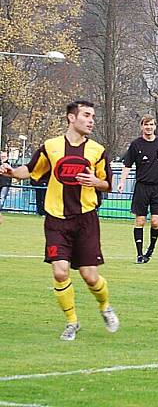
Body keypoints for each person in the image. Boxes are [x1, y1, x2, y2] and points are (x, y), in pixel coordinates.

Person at [0, 100, 120, 341]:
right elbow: (31, 170)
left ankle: (105, 306)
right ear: (71, 118)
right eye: (86, 115)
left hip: (86, 220)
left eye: (93, 116)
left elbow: (108, 183)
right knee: (60, 272)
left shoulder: (97, 150)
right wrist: (12, 172)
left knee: (90, 276)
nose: (91, 120)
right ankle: (72, 322)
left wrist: (96, 183)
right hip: (56, 219)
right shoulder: (51, 146)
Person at [117, 115, 158, 263]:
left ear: (155, 126)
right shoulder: (136, 145)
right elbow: (127, 165)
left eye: (151, 124)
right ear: (142, 126)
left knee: (155, 221)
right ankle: (139, 254)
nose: (149, 127)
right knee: (140, 220)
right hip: (142, 187)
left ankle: (151, 249)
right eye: (146, 124)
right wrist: (121, 182)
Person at [0, 151, 10, 222]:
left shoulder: (8, 165)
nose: (3, 158)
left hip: (5, 184)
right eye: (2, 156)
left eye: (4, 157)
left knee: (1, 199)